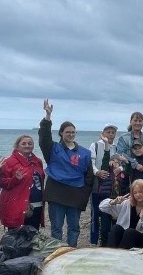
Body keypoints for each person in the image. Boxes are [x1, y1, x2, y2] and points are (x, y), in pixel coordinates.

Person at [38, 99, 94, 247]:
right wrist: (48, 117)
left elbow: (89, 177)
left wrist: (84, 196)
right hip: (56, 193)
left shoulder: (85, 153)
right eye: (67, 132)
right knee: (56, 228)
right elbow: (44, 138)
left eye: (73, 132)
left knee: (74, 227)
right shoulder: (53, 149)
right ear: (61, 133)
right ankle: (57, 252)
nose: (70, 134)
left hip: (75, 194)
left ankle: (71, 251)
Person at [99, 179, 143, 249]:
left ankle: (120, 254)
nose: (138, 195)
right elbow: (102, 207)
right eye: (135, 193)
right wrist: (113, 202)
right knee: (116, 228)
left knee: (129, 232)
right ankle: (110, 252)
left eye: (140, 192)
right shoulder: (127, 203)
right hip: (126, 238)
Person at [89, 123, 120, 246]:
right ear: (103, 133)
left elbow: (120, 163)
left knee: (108, 215)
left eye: (113, 132)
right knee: (95, 215)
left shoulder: (116, 147)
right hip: (97, 186)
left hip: (110, 188)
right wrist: (97, 172)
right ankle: (93, 242)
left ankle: (106, 242)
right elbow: (91, 162)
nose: (111, 135)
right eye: (108, 132)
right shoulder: (95, 145)